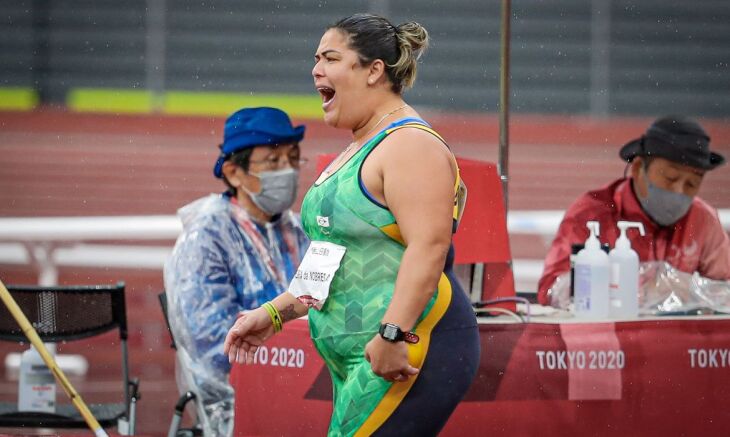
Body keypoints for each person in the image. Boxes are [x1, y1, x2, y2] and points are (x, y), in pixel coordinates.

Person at [224, 13, 480, 436]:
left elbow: (428, 248)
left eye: (330, 58)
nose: (316, 69)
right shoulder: (360, 147)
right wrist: (275, 313)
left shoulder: (410, 145)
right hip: (362, 352)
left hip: (408, 343)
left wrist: (392, 334)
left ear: (374, 70)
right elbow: (329, 254)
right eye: (316, 59)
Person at [164, 107, 309, 436]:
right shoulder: (205, 241)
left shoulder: (299, 231)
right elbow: (215, 350)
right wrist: (298, 361)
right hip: (240, 408)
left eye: (293, 158)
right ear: (233, 172)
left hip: (303, 390)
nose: (287, 171)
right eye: (273, 162)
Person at [538, 115, 730, 307]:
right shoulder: (591, 215)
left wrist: (692, 290)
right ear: (638, 168)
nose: (679, 191)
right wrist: (632, 290)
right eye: (670, 178)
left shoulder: (703, 220)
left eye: (692, 184)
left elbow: (725, 289)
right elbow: (550, 290)